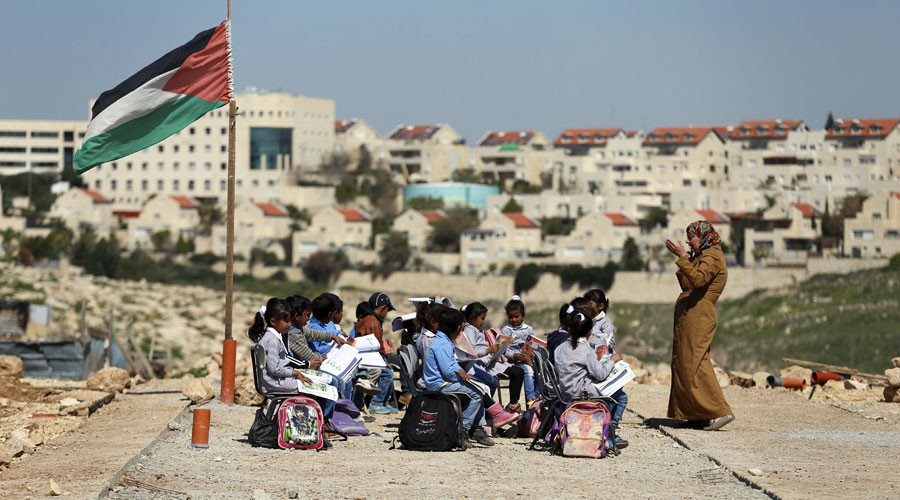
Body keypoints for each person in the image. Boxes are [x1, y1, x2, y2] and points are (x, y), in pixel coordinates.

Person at [664, 220, 735, 431]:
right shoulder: (702, 256)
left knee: (697, 362)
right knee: (684, 364)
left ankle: (720, 410)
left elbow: (698, 281)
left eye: (691, 237)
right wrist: (688, 259)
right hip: (689, 316)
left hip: (699, 316)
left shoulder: (712, 255)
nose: (688, 241)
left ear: (703, 236)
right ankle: (696, 414)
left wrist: (683, 257)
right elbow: (687, 284)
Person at [247, 297, 335, 419]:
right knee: (320, 388)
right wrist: (296, 373)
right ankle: (320, 422)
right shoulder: (272, 340)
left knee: (317, 383)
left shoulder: (274, 335)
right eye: (286, 321)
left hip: (278, 379)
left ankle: (318, 422)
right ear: (273, 321)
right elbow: (275, 369)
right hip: (276, 382)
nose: (289, 324)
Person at [552, 310, 624, 450]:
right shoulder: (586, 349)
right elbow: (601, 374)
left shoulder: (559, 348)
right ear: (590, 331)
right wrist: (612, 361)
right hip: (581, 393)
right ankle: (609, 435)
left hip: (563, 392)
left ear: (569, 329)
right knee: (619, 396)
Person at [423, 308, 494, 446]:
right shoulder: (442, 345)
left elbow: (451, 364)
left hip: (444, 381)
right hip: (440, 384)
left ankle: (477, 428)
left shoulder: (443, 341)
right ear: (459, 328)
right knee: (476, 394)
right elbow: (448, 372)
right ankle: (463, 430)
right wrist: (462, 377)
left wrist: (461, 372)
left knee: (477, 387)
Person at [583, 288, 629, 448]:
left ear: (601, 306)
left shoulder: (605, 324)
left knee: (617, 395)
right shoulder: (585, 320)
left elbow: (610, 344)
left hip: (604, 361)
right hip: (595, 365)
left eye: (590, 304)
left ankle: (612, 428)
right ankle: (609, 431)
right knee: (616, 397)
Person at [463, 302, 526, 414]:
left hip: (491, 361)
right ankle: (487, 411)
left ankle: (512, 405)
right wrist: (488, 350)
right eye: (482, 318)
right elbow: (471, 352)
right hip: (480, 364)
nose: (484, 321)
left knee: (518, 372)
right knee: (491, 383)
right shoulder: (469, 331)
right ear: (472, 319)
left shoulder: (476, 330)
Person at [356, 292, 400, 414]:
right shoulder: (373, 322)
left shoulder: (369, 320)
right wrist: (382, 362)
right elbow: (375, 345)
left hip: (367, 358)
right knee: (388, 373)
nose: (386, 314)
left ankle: (377, 403)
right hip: (369, 360)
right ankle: (376, 404)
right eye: (387, 310)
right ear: (383, 308)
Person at [500, 296, 540, 408]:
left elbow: (534, 345)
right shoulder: (506, 330)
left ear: (523, 315)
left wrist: (530, 356)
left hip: (527, 360)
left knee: (540, 371)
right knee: (528, 371)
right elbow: (503, 351)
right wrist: (514, 355)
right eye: (511, 317)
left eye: (516, 316)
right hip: (513, 363)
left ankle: (537, 398)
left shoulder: (529, 329)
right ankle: (530, 400)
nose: (513, 320)